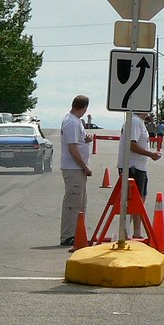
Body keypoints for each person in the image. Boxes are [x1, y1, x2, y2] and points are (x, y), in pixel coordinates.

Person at [117, 110, 162, 239]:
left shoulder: (139, 122)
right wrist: (151, 154)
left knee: (140, 200)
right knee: (132, 201)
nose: (150, 111)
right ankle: (124, 231)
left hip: (139, 167)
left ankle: (137, 232)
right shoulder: (135, 122)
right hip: (132, 167)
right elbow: (132, 145)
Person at [59, 95, 93, 247]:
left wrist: (85, 140)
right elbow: (72, 148)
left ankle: (78, 232)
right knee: (72, 203)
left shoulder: (76, 122)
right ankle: (68, 235)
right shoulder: (71, 122)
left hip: (77, 169)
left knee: (80, 203)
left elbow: (77, 142)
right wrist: (85, 166)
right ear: (84, 108)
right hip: (73, 168)